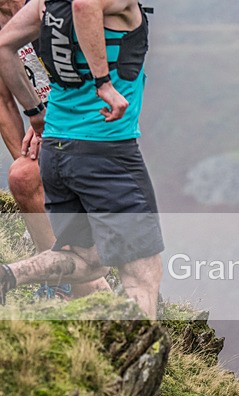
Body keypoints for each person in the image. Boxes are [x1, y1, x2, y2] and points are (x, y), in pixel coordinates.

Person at [0, 0, 162, 318]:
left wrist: (36, 115)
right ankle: (136, 355)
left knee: (84, 258)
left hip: (60, 146)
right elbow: (84, 5)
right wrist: (103, 84)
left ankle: (10, 275)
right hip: (107, 149)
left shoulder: (42, 7)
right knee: (143, 276)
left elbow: (4, 46)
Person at [0, 0, 108, 300]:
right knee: (23, 177)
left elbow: (94, 75)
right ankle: (73, 289)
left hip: (89, 116)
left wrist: (53, 121)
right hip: (47, 127)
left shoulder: (50, 8)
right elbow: (4, 103)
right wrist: (35, 166)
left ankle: (65, 285)